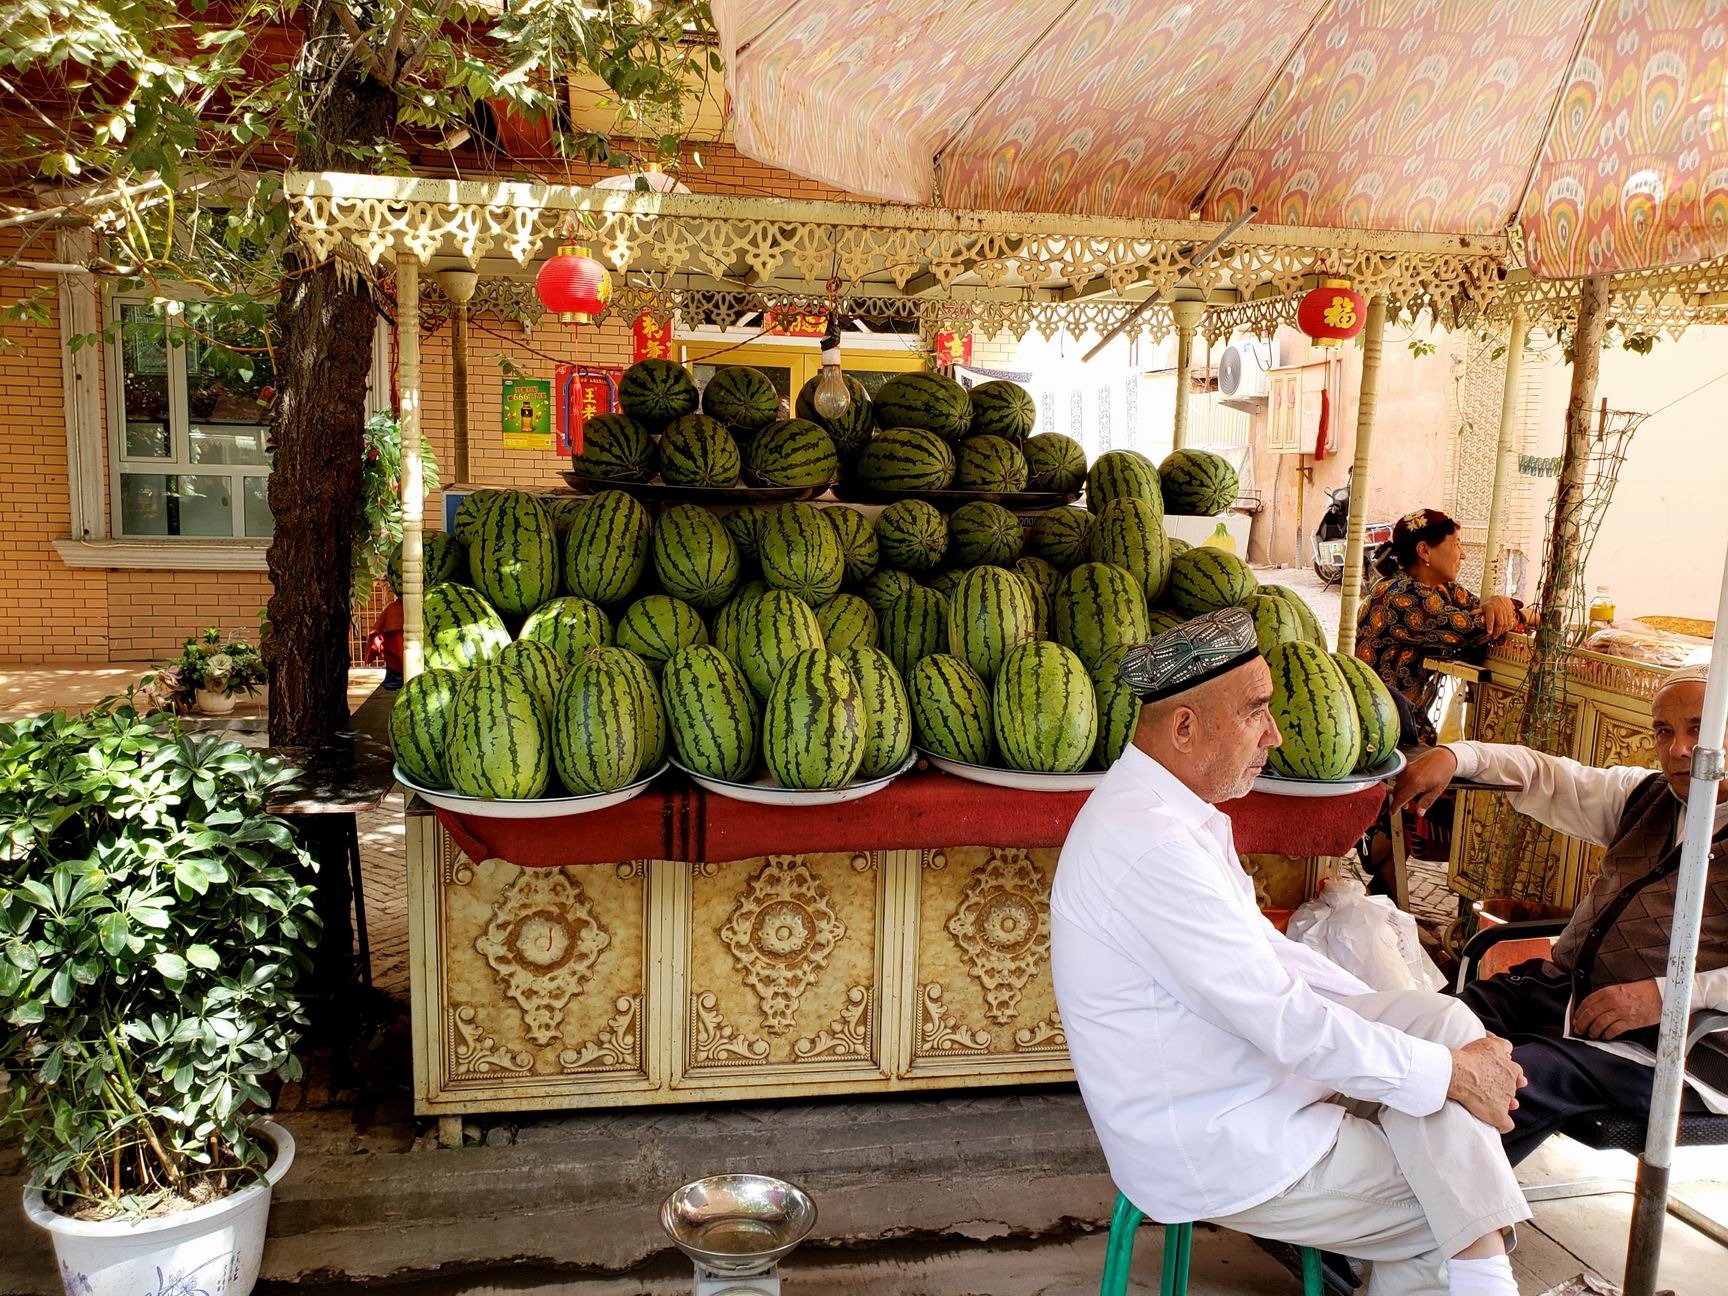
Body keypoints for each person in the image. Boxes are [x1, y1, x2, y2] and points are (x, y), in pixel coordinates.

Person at [1052, 607, 1531, 1296]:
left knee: (1447, 1024)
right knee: (1448, 1202)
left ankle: (1480, 1272)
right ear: (1184, 728)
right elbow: (1287, 1021)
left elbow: (1270, 963)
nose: (1274, 734)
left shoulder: (1167, 811)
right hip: (1219, 1136)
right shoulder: (1151, 848)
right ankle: (1482, 1276)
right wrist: (1448, 1077)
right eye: (1255, 713)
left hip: (1246, 1077)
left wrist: (1437, 1055)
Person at [1391, 664, 1728, 1166]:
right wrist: (1453, 755)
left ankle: (1413, 1219)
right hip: (1560, 996)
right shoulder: (1647, 796)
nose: (1679, 749)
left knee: (1496, 1085)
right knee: (1418, 1033)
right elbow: (1544, 775)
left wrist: (1672, 996)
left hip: (1669, 1051)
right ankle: (1384, 1194)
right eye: (1665, 731)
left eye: (1699, 729)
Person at [1357, 509, 1526, 744]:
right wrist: (1518, 613)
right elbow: (1474, 629)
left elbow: (1484, 610)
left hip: (1403, 716)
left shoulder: (1441, 589)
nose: (1463, 554)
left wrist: (1500, 602)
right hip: (1379, 725)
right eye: (1456, 544)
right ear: (1424, 550)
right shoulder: (1402, 596)